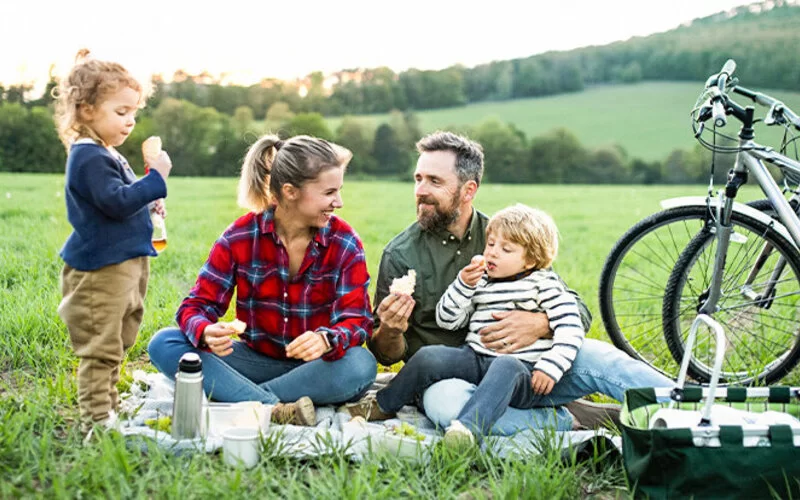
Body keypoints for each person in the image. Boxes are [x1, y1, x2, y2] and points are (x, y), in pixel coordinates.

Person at [363, 131, 674, 434]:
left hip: (529, 366)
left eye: (434, 181)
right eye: (418, 179)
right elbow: (386, 355)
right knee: (448, 409)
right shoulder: (400, 254)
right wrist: (391, 328)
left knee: (603, 358)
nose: (420, 190)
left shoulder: (504, 236)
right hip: (452, 375)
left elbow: (573, 307)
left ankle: (695, 407)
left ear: (468, 190)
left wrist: (541, 324)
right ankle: (568, 420)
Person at [148, 134, 377, 426]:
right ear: (291, 191)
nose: (339, 202)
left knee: (361, 365)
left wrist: (325, 339)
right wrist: (205, 330)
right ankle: (273, 408)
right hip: (253, 362)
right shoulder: (240, 236)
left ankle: (242, 401)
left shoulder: (344, 242)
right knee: (165, 342)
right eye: (329, 192)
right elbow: (196, 305)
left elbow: (357, 320)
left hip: (316, 369)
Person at [348, 204, 589, 445]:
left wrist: (550, 367)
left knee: (506, 365)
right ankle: (381, 405)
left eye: (506, 249)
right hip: (477, 358)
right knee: (429, 356)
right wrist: (463, 285)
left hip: (522, 372)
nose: (492, 253)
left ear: (530, 261)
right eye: (491, 244)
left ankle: (466, 430)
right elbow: (448, 320)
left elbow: (571, 327)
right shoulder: (483, 280)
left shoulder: (544, 284)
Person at [54, 49, 173, 433]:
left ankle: (110, 405)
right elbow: (114, 201)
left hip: (127, 261)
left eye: (134, 112)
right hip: (101, 269)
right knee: (101, 345)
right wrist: (156, 179)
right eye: (121, 112)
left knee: (122, 335)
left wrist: (149, 203)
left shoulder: (106, 153)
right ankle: (96, 419)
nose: (131, 121)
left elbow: (122, 201)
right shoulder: (87, 157)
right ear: (87, 110)